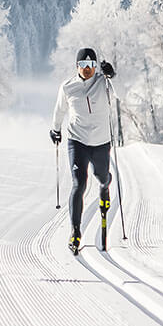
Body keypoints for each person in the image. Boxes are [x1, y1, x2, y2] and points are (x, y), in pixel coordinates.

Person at [50, 47, 116, 254]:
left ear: (95, 66)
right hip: (77, 141)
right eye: (83, 65)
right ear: (77, 66)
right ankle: (75, 231)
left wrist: (112, 75)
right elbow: (59, 109)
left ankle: (105, 187)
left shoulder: (104, 83)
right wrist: (55, 129)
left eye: (91, 65)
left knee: (102, 177)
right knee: (79, 183)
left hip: (101, 142)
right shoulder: (68, 87)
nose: (87, 69)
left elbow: (120, 94)